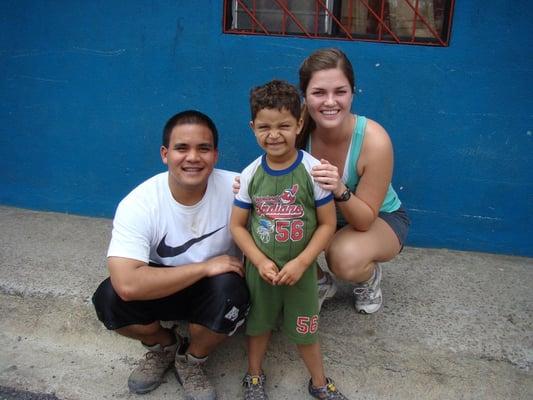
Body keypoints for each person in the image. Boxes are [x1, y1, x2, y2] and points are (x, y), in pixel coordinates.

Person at [92, 110, 250, 400]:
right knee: (109, 299)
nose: (193, 157)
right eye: (182, 148)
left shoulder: (239, 188)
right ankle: (165, 346)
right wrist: (204, 268)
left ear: (215, 155)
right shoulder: (140, 203)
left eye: (203, 148)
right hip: (161, 286)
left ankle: (191, 359)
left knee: (233, 292)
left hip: (214, 290)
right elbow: (128, 284)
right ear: (165, 154)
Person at [231, 80, 349, 400]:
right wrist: (258, 260)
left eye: (284, 125)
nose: (274, 134)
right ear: (252, 127)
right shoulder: (251, 174)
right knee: (257, 326)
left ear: (299, 124)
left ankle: (319, 382)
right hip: (261, 271)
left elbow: (327, 225)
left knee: (306, 330)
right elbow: (238, 226)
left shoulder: (314, 172)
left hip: (302, 270)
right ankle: (254, 376)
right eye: (264, 126)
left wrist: (302, 262)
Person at [298, 48, 411, 314]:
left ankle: (368, 278)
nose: (329, 102)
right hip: (324, 214)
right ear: (304, 95)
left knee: (344, 258)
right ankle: (319, 282)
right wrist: (248, 186)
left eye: (340, 91)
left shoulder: (374, 140)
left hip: (377, 216)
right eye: (318, 93)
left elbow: (364, 220)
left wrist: (339, 187)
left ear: (352, 92)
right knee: (264, 223)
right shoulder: (296, 128)